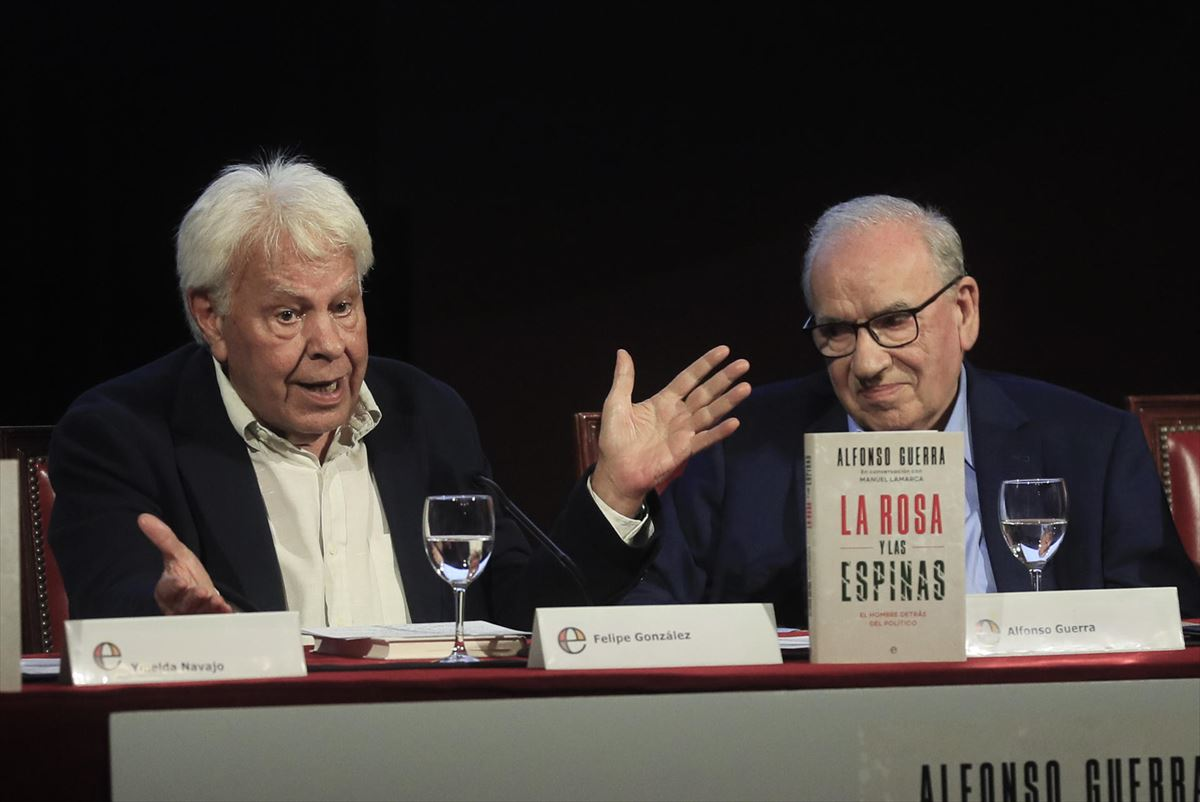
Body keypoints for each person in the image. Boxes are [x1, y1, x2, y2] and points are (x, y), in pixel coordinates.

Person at [47, 156, 750, 629]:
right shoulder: (124, 433)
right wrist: (171, 629)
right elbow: (116, 608)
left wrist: (614, 493)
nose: (329, 343)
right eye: (289, 315)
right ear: (211, 318)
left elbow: (515, 617)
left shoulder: (426, 415)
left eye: (343, 305)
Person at [622, 194, 1200, 623]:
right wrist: (616, 497)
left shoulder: (1094, 448)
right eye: (836, 331)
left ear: (964, 312)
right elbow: (639, 621)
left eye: (895, 321)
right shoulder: (743, 450)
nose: (867, 362)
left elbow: (1171, 636)